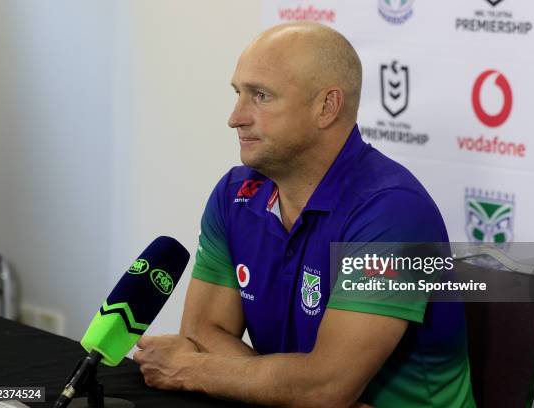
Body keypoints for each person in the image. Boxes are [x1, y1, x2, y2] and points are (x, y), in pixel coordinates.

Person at [133, 22, 476, 408]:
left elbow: (327, 387)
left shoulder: (393, 211)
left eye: (260, 96)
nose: (236, 117)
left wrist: (192, 370)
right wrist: (292, 391)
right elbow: (202, 332)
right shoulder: (235, 195)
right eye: (238, 93)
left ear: (326, 107)